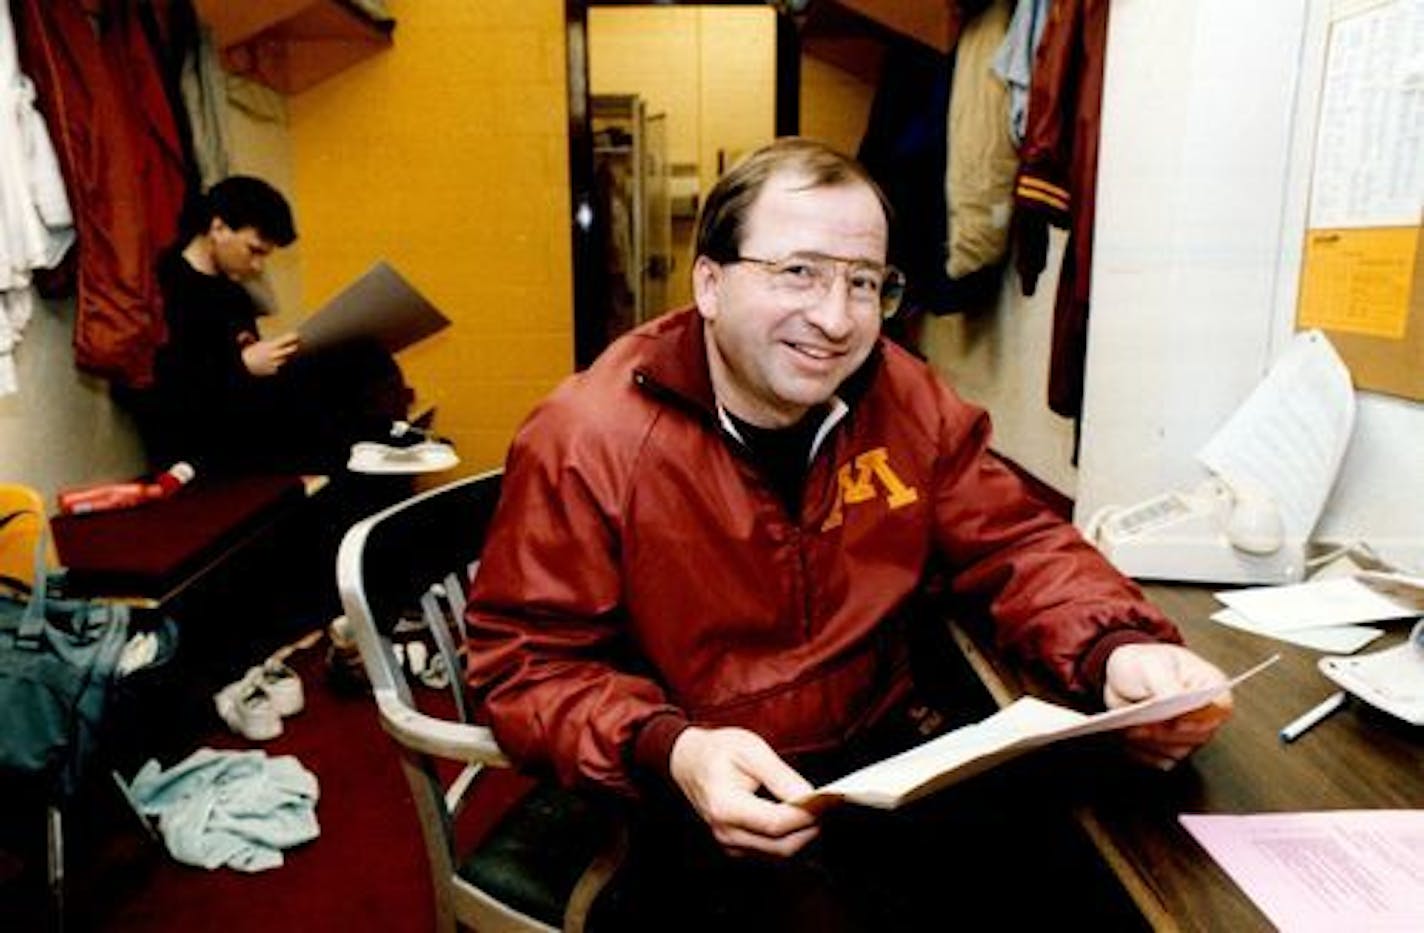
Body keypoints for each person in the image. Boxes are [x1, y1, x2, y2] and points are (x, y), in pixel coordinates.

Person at [465, 138, 1232, 929]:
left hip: (887, 758)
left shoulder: (900, 391)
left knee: (1107, 874)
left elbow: (1014, 541)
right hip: (690, 794)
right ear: (710, 283)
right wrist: (675, 751)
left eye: (862, 282)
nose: (835, 319)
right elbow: (525, 666)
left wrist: (1118, 647)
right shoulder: (587, 437)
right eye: (798, 271)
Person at [147, 175, 411, 475]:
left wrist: (277, 356)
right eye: (254, 250)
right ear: (218, 228)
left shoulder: (233, 293)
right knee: (342, 411)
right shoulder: (164, 285)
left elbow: (250, 371)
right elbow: (167, 391)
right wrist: (240, 365)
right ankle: (376, 446)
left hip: (245, 410)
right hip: (205, 435)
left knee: (361, 351)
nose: (258, 266)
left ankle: (387, 440)